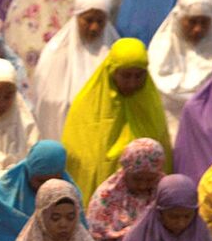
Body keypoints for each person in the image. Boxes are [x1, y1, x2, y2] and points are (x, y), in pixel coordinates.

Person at [62, 39, 171, 203]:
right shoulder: (86, 105)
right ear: (112, 72)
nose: (132, 83)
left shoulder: (151, 105)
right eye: (126, 76)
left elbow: (163, 155)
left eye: (139, 75)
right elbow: (80, 156)